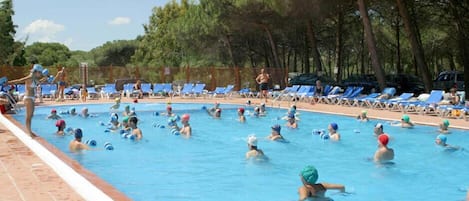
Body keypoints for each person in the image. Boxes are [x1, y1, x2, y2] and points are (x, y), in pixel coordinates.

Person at [7, 64, 46, 137]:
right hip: (28, 98)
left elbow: (38, 83)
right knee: (28, 116)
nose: (40, 74)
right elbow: (19, 80)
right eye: (40, 73)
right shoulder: (30, 77)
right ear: (36, 71)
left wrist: (44, 80)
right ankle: (29, 132)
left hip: (31, 98)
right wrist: (8, 83)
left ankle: (29, 131)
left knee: (31, 116)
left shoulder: (34, 78)